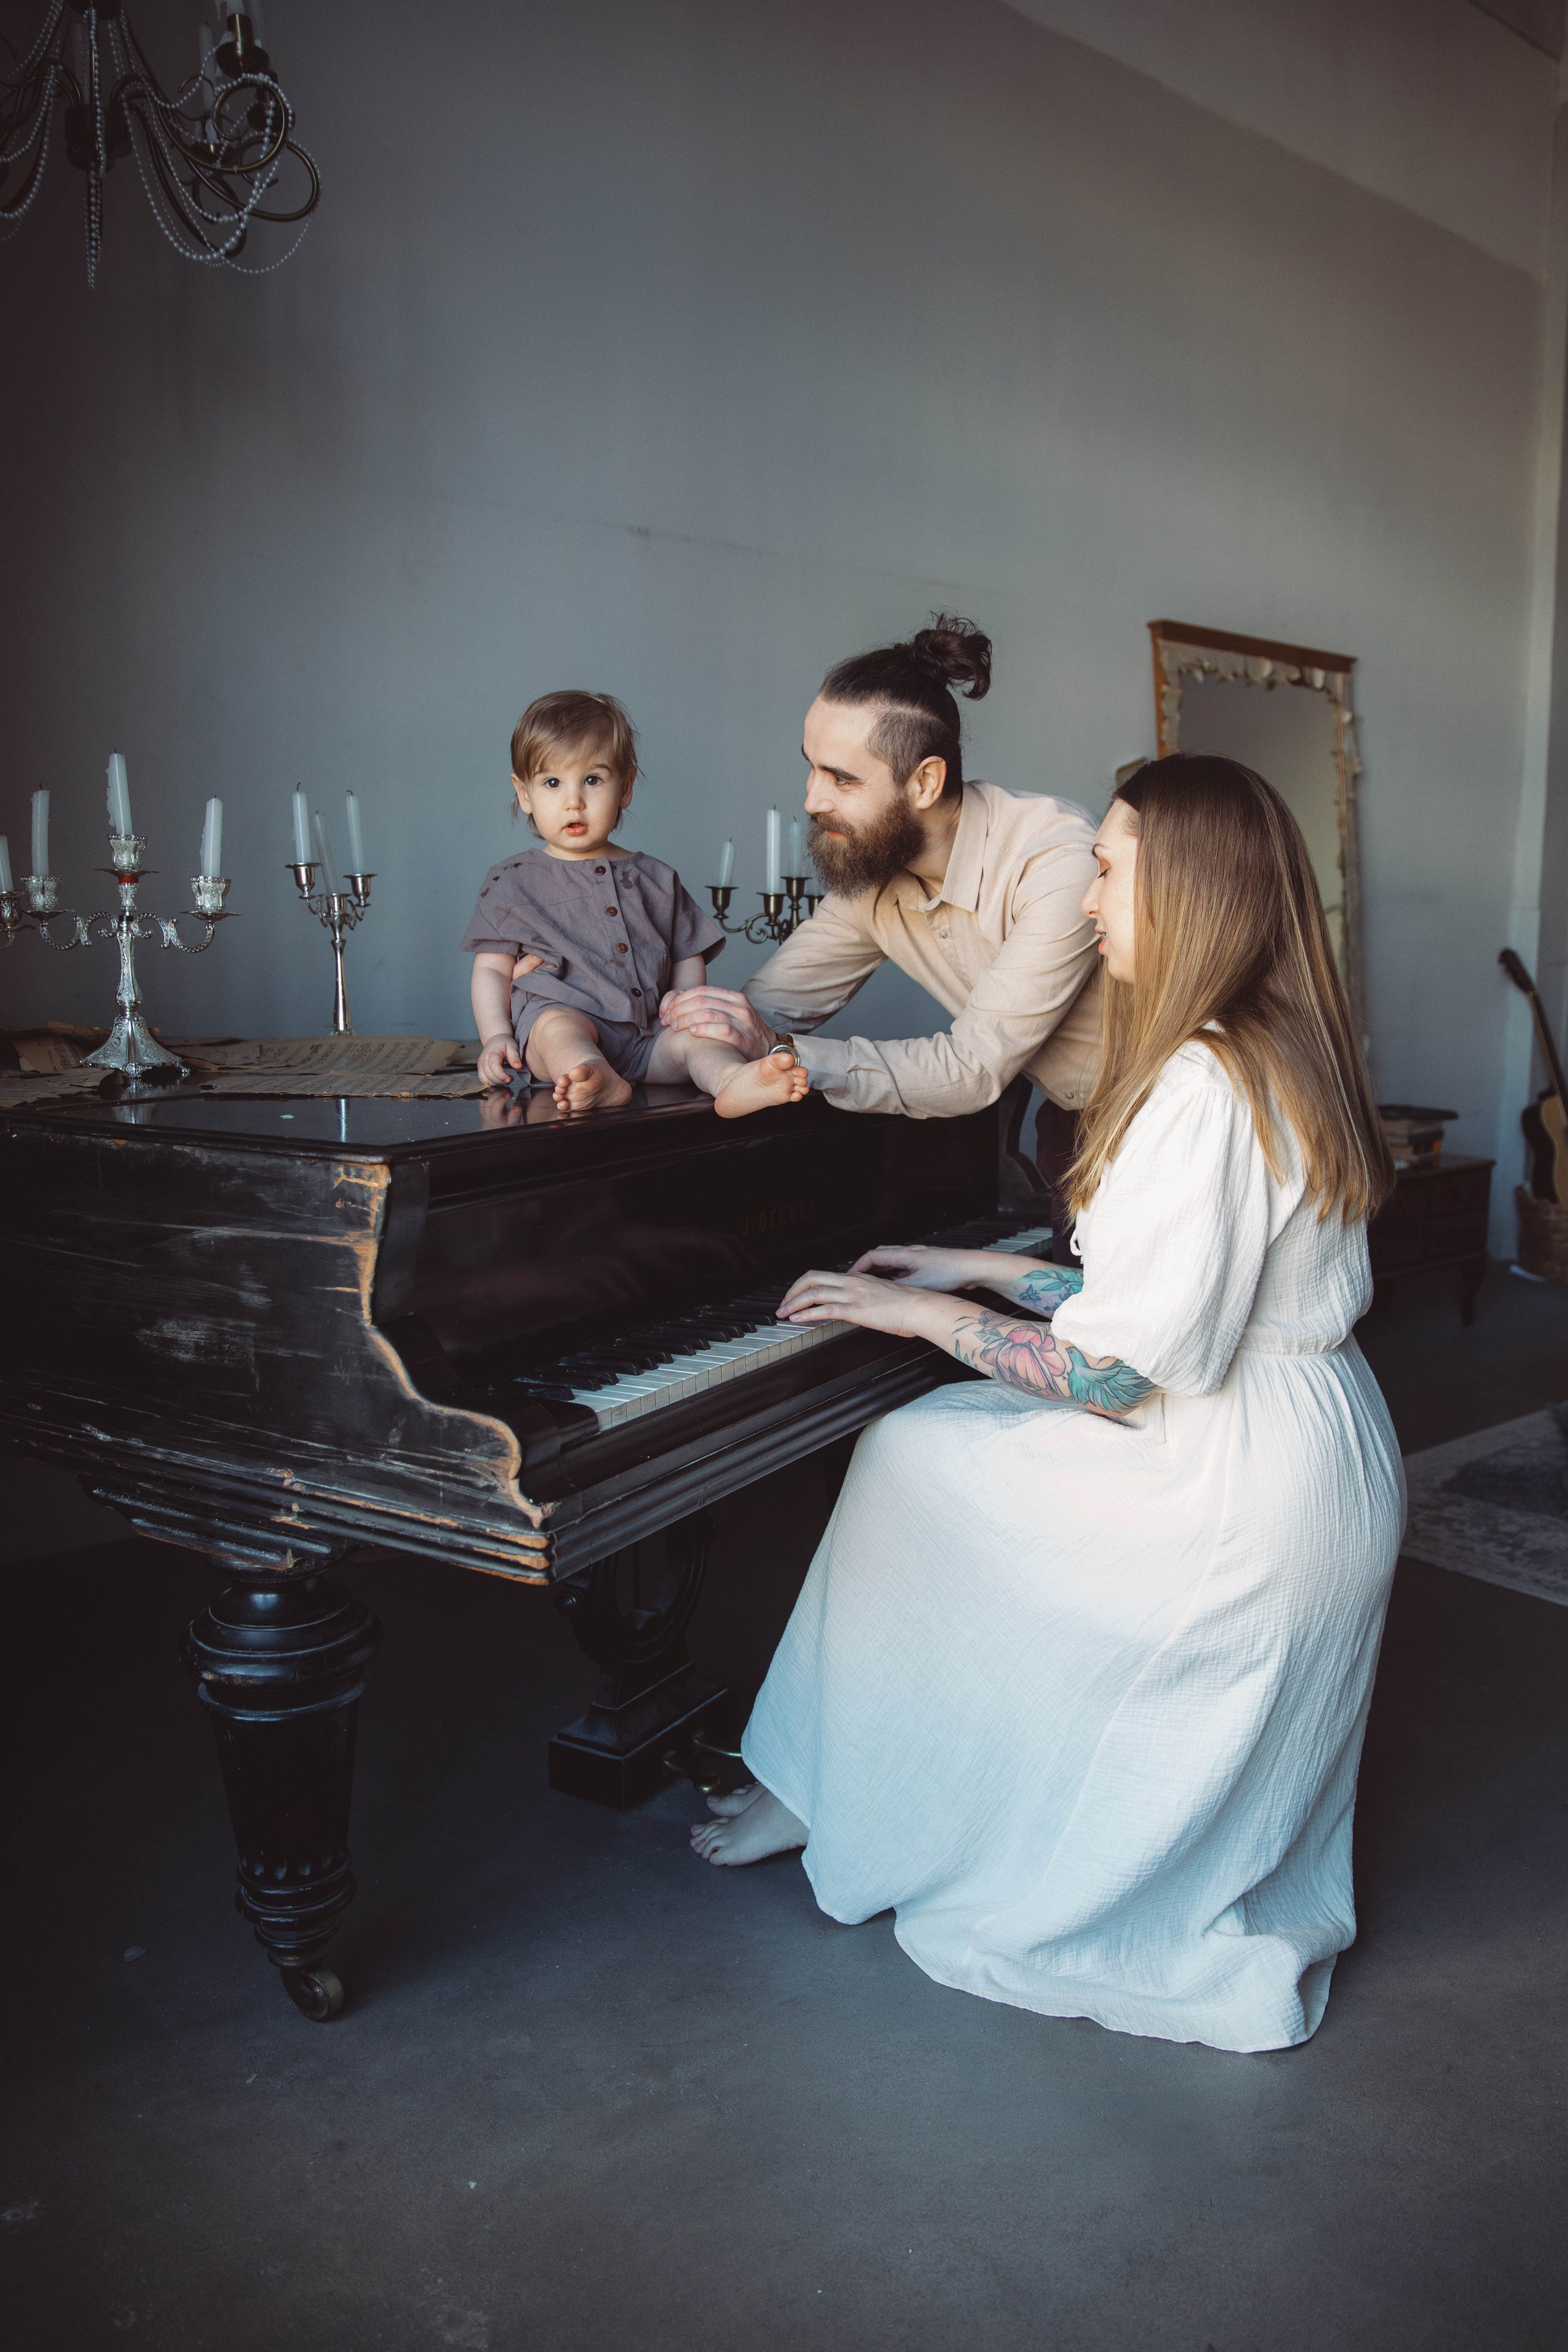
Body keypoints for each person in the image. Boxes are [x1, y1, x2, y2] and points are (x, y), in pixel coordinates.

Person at [689, 753, 1404, 2056]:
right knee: (930, 1449)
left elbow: (1113, 1372)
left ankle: (835, 1793)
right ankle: (831, 1778)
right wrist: (983, 1269)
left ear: (1186, 893)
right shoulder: (1277, 1047)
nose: (1087, 905)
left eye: (1114, 874)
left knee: (906, 1452)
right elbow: (1197, 1284)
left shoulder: (1195, 1082)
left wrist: (916, 1313)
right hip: (1320, 1445)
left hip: (1230, 1494)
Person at [658, 618, 1101, 1259]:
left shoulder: (1058, 858)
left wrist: (787, 1052)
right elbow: (758, 1012)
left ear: (923, 783)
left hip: (1180, 1129)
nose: (811, 800)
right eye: (810, 769)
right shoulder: (869, 879)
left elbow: (973, 1071)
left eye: (841, 779)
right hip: (1071, 1131)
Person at [462, 690, 810, 1118]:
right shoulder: (512, 880)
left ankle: (731, 1081)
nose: (573, 801)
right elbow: (492, 968)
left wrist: (682, 1002)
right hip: (565, 1016)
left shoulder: (657, 877)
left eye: (592, 780)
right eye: (552, 783)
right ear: (525, 794)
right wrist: (496, 1035)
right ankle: (592, 1075)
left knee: (703, 1040)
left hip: (649, 1034)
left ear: (625, 787)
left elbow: (687, 953)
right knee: (557, 1030)